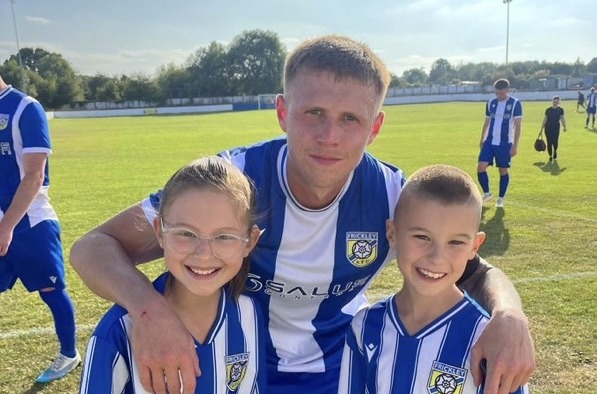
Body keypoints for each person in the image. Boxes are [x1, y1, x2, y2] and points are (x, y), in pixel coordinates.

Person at [70, 35, 534, 394]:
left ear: (374, 127)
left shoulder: (392, 194)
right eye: (313, 112)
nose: (329, 136)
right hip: (237, 362)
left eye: (350, 119)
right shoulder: (233, 181)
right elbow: (94, 247)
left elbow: (467, 267)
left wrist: (510, 316)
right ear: (282, 111)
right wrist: (150, 313)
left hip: (342, 370)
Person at [79, 157, 267, 393]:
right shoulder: (118, 331)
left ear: (250, 241)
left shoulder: (249, 314)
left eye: (224, 236)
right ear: (159, 232)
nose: (204, 254)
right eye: (186, 233)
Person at [338, 164, 529, 394]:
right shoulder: (365, 326)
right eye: (422, 237)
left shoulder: (489, 341)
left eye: (456, 242)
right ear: (392, 234)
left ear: (475, 246)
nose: (437, 257)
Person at [0, 75, 81, 383]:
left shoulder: (26, 108)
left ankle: (69, 354)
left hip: (30, 221)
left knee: (51, 290)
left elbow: (34, 175)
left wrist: (7, 227)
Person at [477, 78, 522, 209]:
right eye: (496, 93)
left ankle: (501, 198)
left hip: (505, 143)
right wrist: (482, 139)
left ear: (507, 90)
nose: (498, 95)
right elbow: (487, 122)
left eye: (501, 93)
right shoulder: (491, 102)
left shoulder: (515, 103)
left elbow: (518, 125)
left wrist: (515, 145)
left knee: (503, 171)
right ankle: (487, 193)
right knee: (480, 167)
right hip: (489, 141)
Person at [541, 96, 567, 162]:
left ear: (558, 102)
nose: (555, 103)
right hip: (548, 128)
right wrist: (542, 127)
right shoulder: (548, 110)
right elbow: (545, 119)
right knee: (549, 142)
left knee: (555, 142)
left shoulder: (560, 110)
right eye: (554, 102)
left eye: (556, 102)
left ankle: (555, 151)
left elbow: (562, 119)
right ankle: (550, 155)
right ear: (552, 101)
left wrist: (564, 127)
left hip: (556, 128)